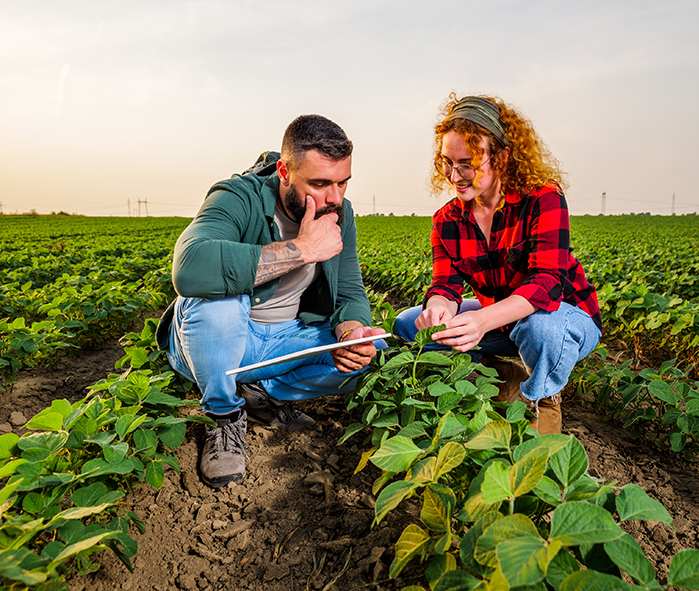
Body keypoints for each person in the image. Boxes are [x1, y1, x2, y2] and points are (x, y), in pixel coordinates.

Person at [156, 114, 386, 488]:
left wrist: (350, 332)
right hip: (221, 338)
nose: (335, 198)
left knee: (368, 353)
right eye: (320, 183)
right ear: (284, 172)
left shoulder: (341, 213)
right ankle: (225, 416)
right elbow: (189, 267)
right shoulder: (237, 196)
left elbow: (349, 292)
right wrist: (303, 248)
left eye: (343, 183)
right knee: (218, 303)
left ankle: (258, 390)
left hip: (285, 339)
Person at [393, 95, 602, 435]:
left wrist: (480, 320)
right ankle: (505, 379)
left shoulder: (542, 198)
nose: (454, 176)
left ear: (502, 157)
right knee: (408, 326)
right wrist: (437, 308)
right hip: (501, 320)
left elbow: (547, 283)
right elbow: (446, 285)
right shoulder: (447, 220)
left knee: (539, 327)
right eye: (447, 162)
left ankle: (543, 401)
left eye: (467, 164)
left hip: (563, 317)